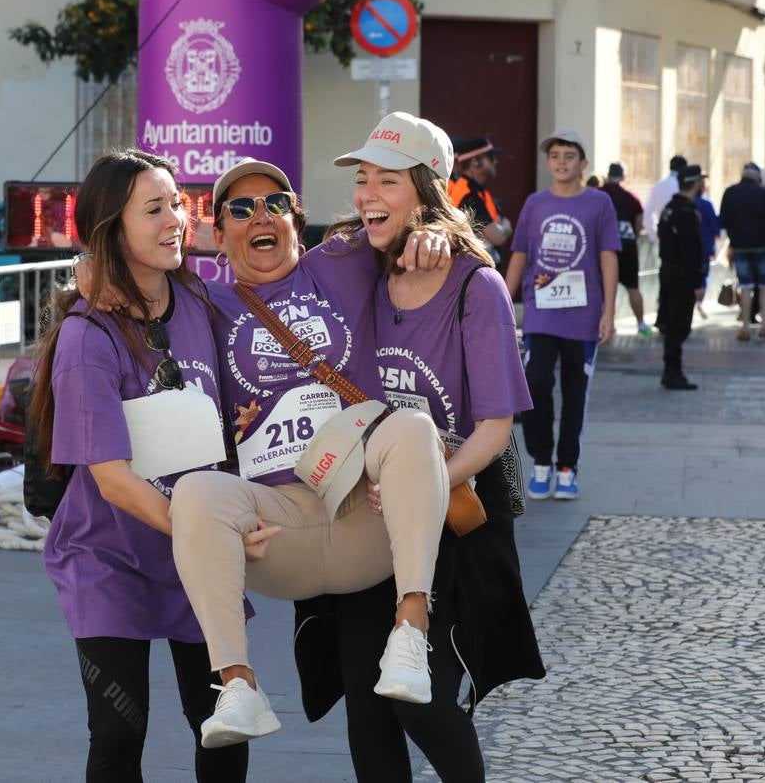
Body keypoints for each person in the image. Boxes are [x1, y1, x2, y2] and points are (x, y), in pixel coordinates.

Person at [166, 145, 454, 749]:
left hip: (370, 512)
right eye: (240, 210)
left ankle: (412, 629)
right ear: (217, 236)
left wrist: (432, 233)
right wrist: (89, 269)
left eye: (275, 204)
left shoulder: (341, 261)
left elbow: (399, 209)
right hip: (282, 529)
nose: (261, 217)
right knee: (194, 494)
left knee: (408, 427)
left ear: (298, 219)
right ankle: (238, 685)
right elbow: (128, 276)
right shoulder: (200, 302)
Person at [299, 113, 544, 782]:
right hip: (364, 512)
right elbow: (266, 271)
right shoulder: (360, 265)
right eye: (362, 179)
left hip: (452, 515)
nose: (366, 193)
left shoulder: (475, 286)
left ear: (427, 188)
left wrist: (425, 491)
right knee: (367, 706)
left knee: (421, 699)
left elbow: (496, 426)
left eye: (387, 180)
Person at [27, 150, 259, 782]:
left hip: (194, 553)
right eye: (154, 209)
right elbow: (114, 481)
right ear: (111, 230)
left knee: (224, 724)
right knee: (118, 732)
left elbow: (286, 298)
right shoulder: (87, 336)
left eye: (176, 205)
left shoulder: (202, 301)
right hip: (110, 556)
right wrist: (212, 534)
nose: (175, 221)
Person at [506, 128, 619, 501]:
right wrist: (503, 302)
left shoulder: (598, 203)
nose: (561, 162)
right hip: (541, 312)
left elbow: (607, 256)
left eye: (569, 156)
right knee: (535, 382)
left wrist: (609, 312)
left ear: (583, 163)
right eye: (554, 156)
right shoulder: (535, 204)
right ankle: (541, 460)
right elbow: (520, 253)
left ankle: (567, 466)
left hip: (583, 314)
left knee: (576, 391)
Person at [718, 162, 765, 341]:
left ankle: (745, 325)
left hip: (740, 246)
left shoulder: (730, 193)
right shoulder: (764, 194)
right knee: (764, 286)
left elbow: (722, 220)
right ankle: (764, 325)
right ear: (758, 178)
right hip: (763, 246)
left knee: (745, 286)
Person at [657, 165, 706, 390]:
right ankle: (673, 373)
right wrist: (697, 281)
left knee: (672, 324)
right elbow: (691, 249)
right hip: (681, 276)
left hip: (668, 271)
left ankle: (671, 370)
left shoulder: (670, 207)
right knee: (678, 326)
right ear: (696, 183)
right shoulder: (686, 212)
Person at [601, 162, 652, 337]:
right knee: (633, 287)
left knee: (603, 288)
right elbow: (639, 224)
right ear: (624, 177)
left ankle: (606, 325)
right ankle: (641, 324)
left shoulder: (598, 194)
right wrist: (633, 237)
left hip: (603, 247)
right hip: (628, 245)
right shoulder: (632, 197)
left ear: (608, 175)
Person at [448, 136, 511, 265]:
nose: (496, 162)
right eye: (491, 157)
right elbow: (497, 237)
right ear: (476, 162)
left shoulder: (477, 190)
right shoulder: (469, 195)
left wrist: (501, 229)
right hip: (468, 268)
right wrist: (505, 227)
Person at [645, 154, 688, 246]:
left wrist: (656, 238)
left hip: (663, 238)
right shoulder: (684, 188)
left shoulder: (657, 186)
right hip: (681, 240)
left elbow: (647, 216)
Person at [695, 181, 720, 318]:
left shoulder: (690, 203)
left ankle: (695, 301)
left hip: (690, 247)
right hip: (705, 247)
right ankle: (699, 301)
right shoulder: (706, 204)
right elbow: (715, 227)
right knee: (703, 275)